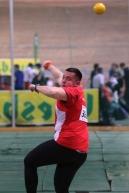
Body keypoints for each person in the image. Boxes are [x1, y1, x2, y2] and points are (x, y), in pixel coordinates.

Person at [24, 60, 89, 193]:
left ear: (77, 83)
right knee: (61, 188)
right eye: (64, 78)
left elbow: (53, 92)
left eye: (68, 79)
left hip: (67, 145)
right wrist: (49, 66)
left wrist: (36, 87)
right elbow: (59, 76)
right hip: (80, 152)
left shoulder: (72, 93)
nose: (64, 81)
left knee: (29, 161)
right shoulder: (77, 89)